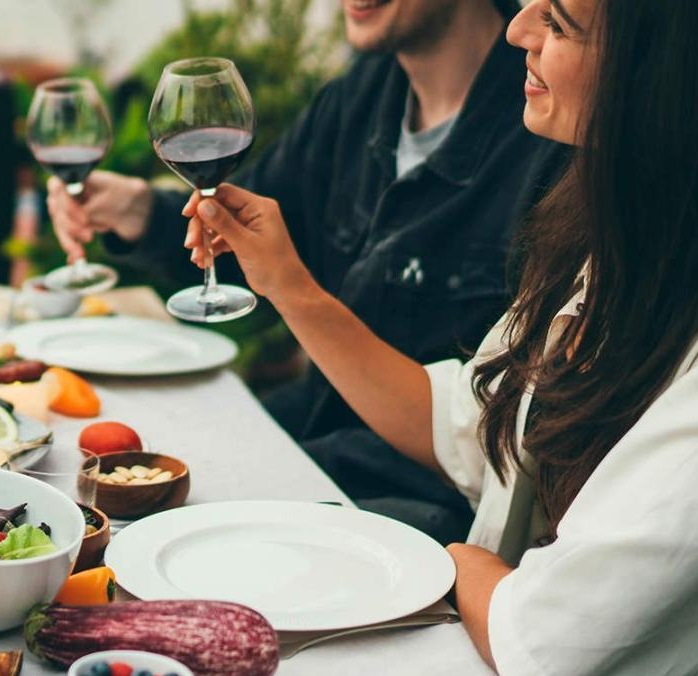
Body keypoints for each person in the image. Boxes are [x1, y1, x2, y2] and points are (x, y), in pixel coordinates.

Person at [189, 0, 698, 676]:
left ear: (673, 78)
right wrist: (288, 285)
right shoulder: (640, 243)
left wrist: (460, 563)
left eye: (558, 21)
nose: (518, 29)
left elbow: (556, 644)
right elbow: (470, 430)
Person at [48, 0, 566, 545]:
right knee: (84, 479)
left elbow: (506, 442)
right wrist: (138, 211)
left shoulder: (551, 133)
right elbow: (252, 238)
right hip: (316, 439)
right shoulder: (361, 95)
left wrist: (292, 289)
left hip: (422, 512)